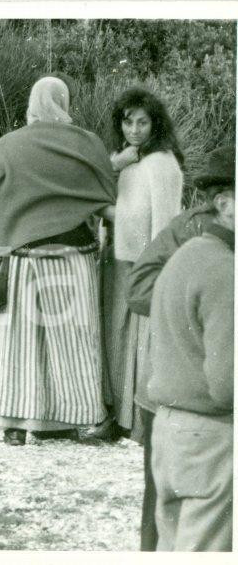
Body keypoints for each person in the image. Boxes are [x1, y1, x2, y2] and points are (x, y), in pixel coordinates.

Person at [0, 75, 116, 446]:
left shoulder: (8, 145)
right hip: (73, 257)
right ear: (65, 103)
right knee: (72, 342)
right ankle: (73, 420)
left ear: (32, 103)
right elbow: (105, 193)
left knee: (18, 343)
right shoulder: (87, 143)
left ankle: (15, 423)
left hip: (21, 258)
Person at [126, 145, 234, 552]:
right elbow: (227, 386)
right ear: (222, 203)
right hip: (206, 430)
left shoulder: (190, 252)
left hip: (170, 419)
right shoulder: (218, 260)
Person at [99, 88, 184, 443]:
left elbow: (164, 221)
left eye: (142, 122)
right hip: (119, 257)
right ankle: (119, 413)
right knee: (118, 335)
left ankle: (138, 419)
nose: (134, 129)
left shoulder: (163, 162)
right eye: (127, 121)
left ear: (155, 124)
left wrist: (103, 211)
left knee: (141, 340)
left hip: (144, 261)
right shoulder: (127, 158)